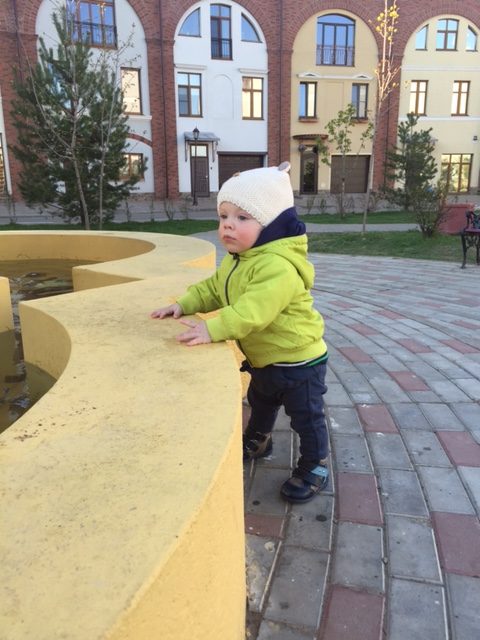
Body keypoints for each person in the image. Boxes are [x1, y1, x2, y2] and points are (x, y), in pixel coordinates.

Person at [151, 162, 329, 504]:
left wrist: (213, 328)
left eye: (242, 217)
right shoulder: (238, 259)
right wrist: (184, 304)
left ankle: (314, 465)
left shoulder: (278, 266)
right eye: (223, 216)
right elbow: (214, 289)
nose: (228, 225)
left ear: (272, 224)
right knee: (260, 403)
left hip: (299, 362)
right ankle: (258, 441)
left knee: (306, 418)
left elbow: (253, 312)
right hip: (264, 359)